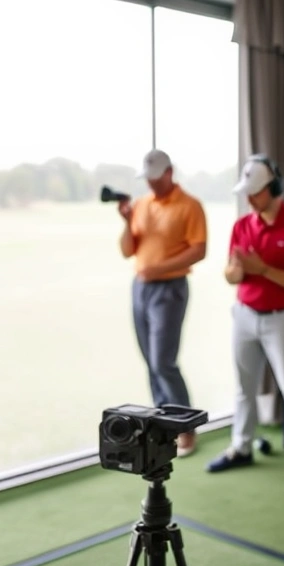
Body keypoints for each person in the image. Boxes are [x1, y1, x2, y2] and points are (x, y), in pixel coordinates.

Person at [206, 154, 284, 492]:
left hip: (283, 320)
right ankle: (241, 447)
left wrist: (264, 269)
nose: (248, 198)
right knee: (244, 388)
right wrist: (237, 272)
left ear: (275, 188)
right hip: (244, 315)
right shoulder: (242, 226)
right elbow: (230, 274)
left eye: (254, 192)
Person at [117, 149, 207, 457]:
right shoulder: (141, 205)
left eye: (156, 178)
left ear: (169, 173)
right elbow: (128, 250)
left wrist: (161, 268)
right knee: (149, 361)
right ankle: (162, 422)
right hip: (141, 289)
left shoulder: (190, 206)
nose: (151, 185)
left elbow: (199, 250)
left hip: (170, 289)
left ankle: (185, 427)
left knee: (163, 362)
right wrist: (127, 222)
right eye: (148, 180)